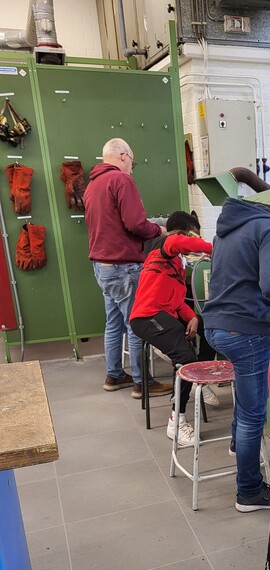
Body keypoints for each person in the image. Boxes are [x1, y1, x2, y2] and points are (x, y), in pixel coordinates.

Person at [202, 194, 270, 512]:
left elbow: (244, 271)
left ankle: (240, 447)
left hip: (216, 326)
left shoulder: (235, 224)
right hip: (245, 331)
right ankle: (249, 491)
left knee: (245, 399)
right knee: (254, 416)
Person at [83, 137, 172, 399]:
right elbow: (136, 224)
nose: (132, 166)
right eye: (132, 161)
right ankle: (142, 381)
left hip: (102, 267)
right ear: (123, 156)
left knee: (114, 323)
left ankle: (114, 375)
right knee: (137, 324)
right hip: (123, 267)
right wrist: (161, 230)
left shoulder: (93, 185)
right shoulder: (121, 180)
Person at [130, 211, 213, 447]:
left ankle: (200, 381)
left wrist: (192, 319)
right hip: (147, 318)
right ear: (185, 233)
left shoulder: (176, 262)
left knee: (207, 322)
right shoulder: (163, 247)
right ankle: (176, 422)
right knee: (186, 358)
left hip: (164, 315)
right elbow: (176, 242)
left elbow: (176, 302)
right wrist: (213, 248)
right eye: (193, 236)